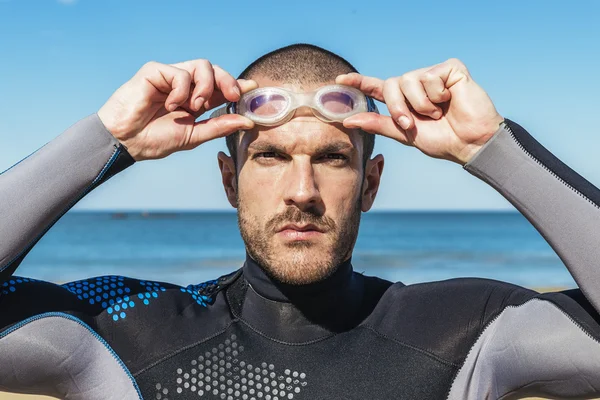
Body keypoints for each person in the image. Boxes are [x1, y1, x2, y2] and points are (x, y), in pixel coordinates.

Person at [1, 43, 600, 400]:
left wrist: (492, 148)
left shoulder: (466, 332)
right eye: (270, 156)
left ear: (370, 184)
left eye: (334, 158)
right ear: (230, 182)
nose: (302, 192)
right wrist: (108, 140)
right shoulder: (125, 332)